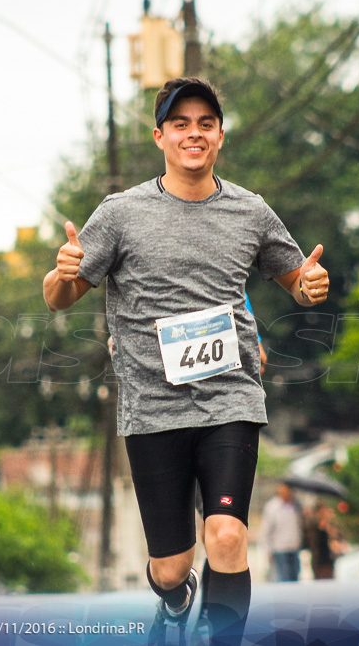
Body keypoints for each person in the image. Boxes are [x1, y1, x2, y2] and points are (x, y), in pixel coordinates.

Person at [43, 76, 329, 645]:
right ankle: (175, 603)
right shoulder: (121, 213)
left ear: (220, 135)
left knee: (225, 536)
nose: (193, 134)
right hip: (153, 408)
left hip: (230, 396)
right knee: (172, 566)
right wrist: (64, 271)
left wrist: (309, 284)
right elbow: (60, 296)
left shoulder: (250, 211)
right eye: (180, 124)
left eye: (205, 124)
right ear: (160, 137)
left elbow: (296, 278)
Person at [261, 483, 304, 582]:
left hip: (294, 547)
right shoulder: (272, 506)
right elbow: (266, 530)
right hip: (279, 549)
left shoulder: (296, 505)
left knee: (295, 578)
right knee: (284, 579)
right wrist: (268, 550)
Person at [305, 501, 345, 579]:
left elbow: (340, 538)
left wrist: (331, 532)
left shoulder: (332, 525)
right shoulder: (313, 527)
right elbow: (310, 542)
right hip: (318, 560)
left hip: (329, 560)